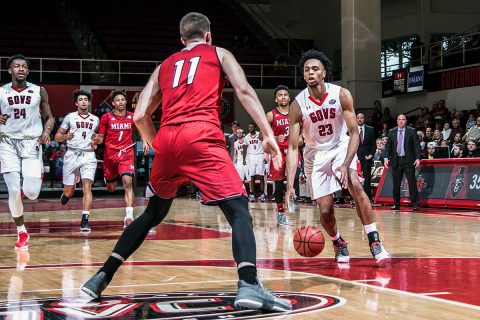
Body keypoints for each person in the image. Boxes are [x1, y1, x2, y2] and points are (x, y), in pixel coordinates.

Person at [81, 12, 291, 313]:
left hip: (167, 137)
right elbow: (244, 91)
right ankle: (249, 284)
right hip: (201, 134)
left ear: (181, 40)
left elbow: (140, 115)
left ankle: (100, 277)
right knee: (238, 210)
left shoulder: (164, 65)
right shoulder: (219, 53)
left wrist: (158, 145)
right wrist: (268, 134)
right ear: (208, 35)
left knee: (153, 213)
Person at [285, 49, 391, 264]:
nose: (310, 73)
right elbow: (293, 147)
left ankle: (374, 241)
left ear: (324, 73)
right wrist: (289, 184)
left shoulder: (340, 94)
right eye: (307, 70)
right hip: (315, 154)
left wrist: (345, 164)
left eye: (315, 69)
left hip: (341, 145)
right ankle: (339, 242)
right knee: (325, 211)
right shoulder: (297, 105)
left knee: (355, 184)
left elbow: (354, 133)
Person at [0, 54, 55, 250]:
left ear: (28, 71)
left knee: (31, 193)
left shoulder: (39, 90)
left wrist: (47, 132)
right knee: (14, 190)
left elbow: (50, 117)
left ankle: (33, 176)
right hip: (7, 143)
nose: (21, 68)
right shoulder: (1, 92)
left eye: (24, 66)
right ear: (10, 71)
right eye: (16, 66)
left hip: (32, 142)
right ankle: (22, 231)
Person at [95, 91, 149, 228]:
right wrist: (96, 140)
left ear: (126, 102)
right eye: (117, 100)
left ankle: (129, 216)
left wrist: (144, 141)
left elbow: (140, 130)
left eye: (122, 100)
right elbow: (101, 137)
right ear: (113, 103)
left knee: (127, 183)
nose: (120, 102)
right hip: (110, 154)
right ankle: (109, 179)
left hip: (126, 153)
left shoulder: (132, 117)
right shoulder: (106, 117)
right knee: (111, 188)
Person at [55, 90, 100, 232]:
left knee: (87, 187)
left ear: (89, 102)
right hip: (72, 154)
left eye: (86, 99)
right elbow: (57, 137)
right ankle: (66, 194)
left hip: (88, 155)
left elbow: (96, 139)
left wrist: (95, 143)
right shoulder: (70, 117)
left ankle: (85, 220)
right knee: (70, 191)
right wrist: (65, 136)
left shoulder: (95, 119)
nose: (83, 101)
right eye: (80, 99)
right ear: (76, 103)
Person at [266, 85, 292, 225]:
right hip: (278, 153)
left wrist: (301, 137)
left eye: (285, 95)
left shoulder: (295, 113)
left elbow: (303, 128)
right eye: (280, 95)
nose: (283, 97)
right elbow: (261, 136)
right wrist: (275, 138)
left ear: (289, 98)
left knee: (295, 179)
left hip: (293, 151)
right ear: (276, 99)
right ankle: (280, 211)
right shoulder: (271, 115)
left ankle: (291, 200)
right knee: (279, 184)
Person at [384, 114, 421, 210]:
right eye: (399, 119)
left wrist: (418, 158)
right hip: (396, 161)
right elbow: (388, 147)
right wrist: (385, 158)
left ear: (406, 121)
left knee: (412, 182)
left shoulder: (411, 131)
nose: (401, 121)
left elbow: (416, 145)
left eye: (403, 119)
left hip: (408, 160)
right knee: (396, 184)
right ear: (397, 121)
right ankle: (396, 204)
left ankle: (415, 204)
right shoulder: (392, 132)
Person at [356, 113, 376, 201]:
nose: (360, 119)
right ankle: (356, 197)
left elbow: (373, 144)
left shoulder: (370, 129)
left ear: (364, 119)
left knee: (367, 178)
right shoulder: (352, 130)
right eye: (358, 118)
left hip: (367, 157)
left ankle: (367, 196)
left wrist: (371, 154)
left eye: (361, 118)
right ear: (356, 119)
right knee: (356, 179)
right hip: (355, 158)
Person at [245, 123, 266, 202]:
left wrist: (265, 155)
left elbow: (264, 144)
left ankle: (262, 194)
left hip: (260, 155)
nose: (250, 128)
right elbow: (246, 148)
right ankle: (252, 194)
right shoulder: (246, 137)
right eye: (249, 127)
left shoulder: (259, 135)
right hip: (251, 156)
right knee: (252, 176)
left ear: (255, 127)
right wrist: (246, 159)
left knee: (261, 176)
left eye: (252, 127)